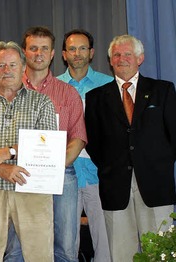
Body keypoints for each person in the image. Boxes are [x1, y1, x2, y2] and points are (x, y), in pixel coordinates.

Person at [0, 41, 57, 261]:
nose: (7, 70)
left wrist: (6, 153)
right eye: (1, 65)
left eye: (12, 65)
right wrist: (1, 169)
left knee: (40, 255)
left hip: (32, 186)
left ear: (24, 67)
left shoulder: (42, 102)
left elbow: (48, 144)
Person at [85, 34, 176, 261]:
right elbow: (94, 143)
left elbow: (174, 134)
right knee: (121, 253)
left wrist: (157, 165)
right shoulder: (95, 97)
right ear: (110, 61)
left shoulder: (163, 90)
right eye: (116, 55)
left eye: (127, 54)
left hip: (156, 185)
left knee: (160, 252)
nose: (121, 59)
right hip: (115, 186)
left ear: (140, 58)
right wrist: (111, 166)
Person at [4, 26, 87, 262]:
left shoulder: (69, 93)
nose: (38, 53)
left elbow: (78, 137)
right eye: (33, 48)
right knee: (16, 248)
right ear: (24, 53)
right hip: (19, 174)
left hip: (61, 174)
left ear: (52, 54)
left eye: (44, 49)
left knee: (65, 247)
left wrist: (53, 166)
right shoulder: (8, 90)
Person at [57, 29, 112, 262]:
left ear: (91, 53)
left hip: (100, 174)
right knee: (64, 241)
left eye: (82, 48)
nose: (77, 53)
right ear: (63, 54)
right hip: (63, 173)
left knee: (106, 240)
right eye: (72, 49)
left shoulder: (108, 85)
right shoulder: (53, 87)